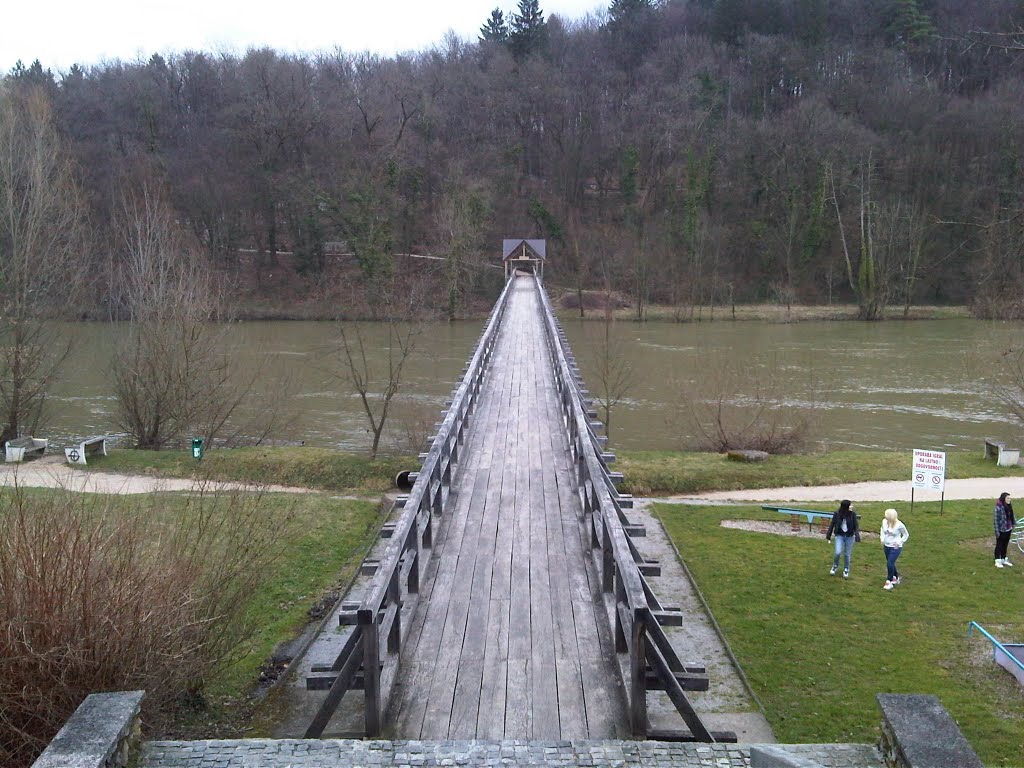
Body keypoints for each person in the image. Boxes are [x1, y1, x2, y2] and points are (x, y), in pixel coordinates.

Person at [826, 499, 860, 578]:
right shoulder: (837, 514)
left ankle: (846, 569)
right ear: (846, 507)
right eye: (850, 505)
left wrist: (857, 535)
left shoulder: (853, 514)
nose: (852, 506)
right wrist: (829, 536)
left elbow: (856, 526)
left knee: (847, 554)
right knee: (837, 552)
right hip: (839, 536)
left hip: (849, 536)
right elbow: (832, 524)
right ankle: (835, 566)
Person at [880, 508, 909, 590]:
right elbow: (882, 530)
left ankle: (889, 581)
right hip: (886, 545)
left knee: (889, 563)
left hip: (895, 547)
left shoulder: (899, 525)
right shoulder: (884, 522)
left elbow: (906, 535)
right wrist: (882, 539)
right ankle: (895, 577)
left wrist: (899, 542)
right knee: (890, 563)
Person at [994, 492, 1015, 568]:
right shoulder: (998, 507)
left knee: (1005, 545)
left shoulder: (1009, 505)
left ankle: (1004, 558)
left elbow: (1012, 515)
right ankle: (997, 560)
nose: (1009, 499)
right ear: (1004, 499)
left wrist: (1013, 524)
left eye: (1010, 498)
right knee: (999, 545)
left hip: (1008, 528)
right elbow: (996, 520)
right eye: (1008, 498)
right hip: (1001, 530)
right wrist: (997, 531)